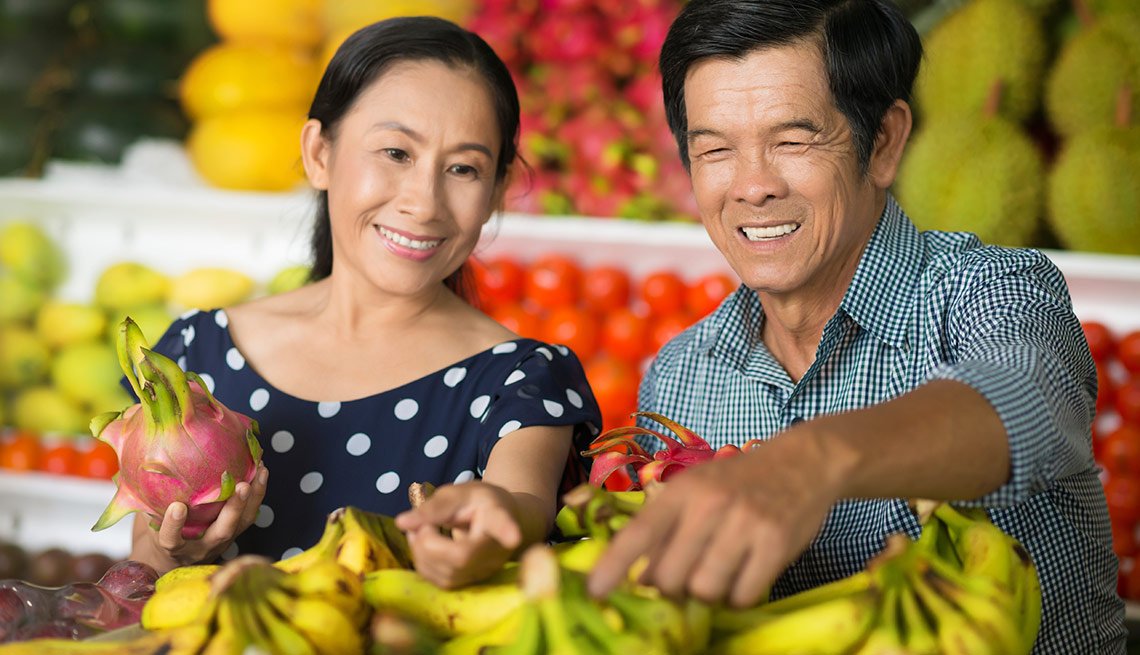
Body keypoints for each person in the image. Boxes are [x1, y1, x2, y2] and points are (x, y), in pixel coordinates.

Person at [585, 0, 1123, 651]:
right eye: (716, 150)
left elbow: (1019, 404)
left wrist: (811, 459)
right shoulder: (680, 379)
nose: (753, 186)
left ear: (886, 142)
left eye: (792, 140)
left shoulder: (997, 291)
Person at [126, 16, 602, 588]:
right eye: (396, 152)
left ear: (498, 190)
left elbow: (522, 498)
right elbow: (141, 575)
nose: (424, 203)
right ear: (319, 153)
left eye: (463, 168)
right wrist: (174, 552)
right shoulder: (195, 358)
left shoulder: (522, 380)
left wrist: (496, 522)